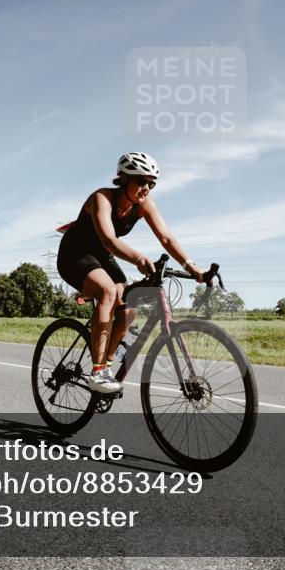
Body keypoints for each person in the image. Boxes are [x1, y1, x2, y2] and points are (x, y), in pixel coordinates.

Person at [57, 152, 204, 393]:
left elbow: (166, 238)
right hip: (75, 253)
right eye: (140, 181)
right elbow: (108, 239)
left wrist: (191, 265)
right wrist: (137, 258)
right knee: (107, 291)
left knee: (129, 306)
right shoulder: (101, 198)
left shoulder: (143, 205)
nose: (146, 188)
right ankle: (97, 372)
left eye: (151, 183)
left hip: (102, 256)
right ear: (123, 179)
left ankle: (107, 362)